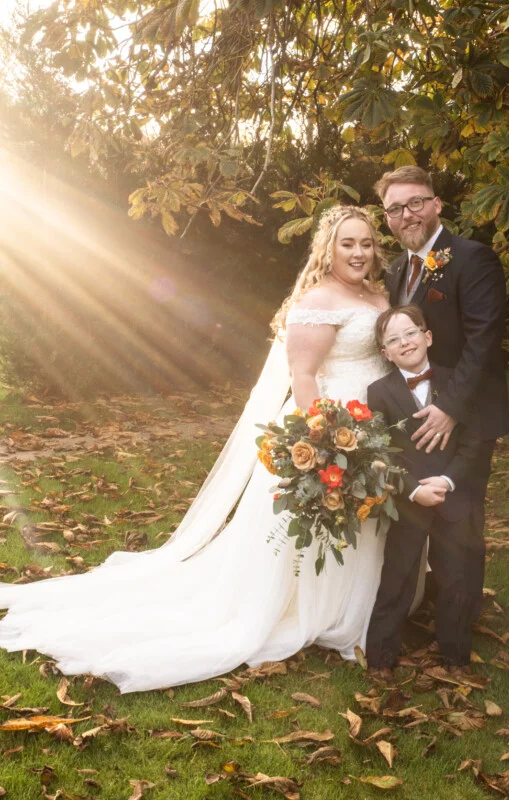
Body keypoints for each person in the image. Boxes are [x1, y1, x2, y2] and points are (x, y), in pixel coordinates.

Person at [0, 205, 426, 693]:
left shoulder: (378, 294)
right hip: (335, 424)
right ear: (327, 249)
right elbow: (305, 375)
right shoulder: (318, 298)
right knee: (332, 524)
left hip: (379, 424)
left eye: (366, 243)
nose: (358, 252)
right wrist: (324, 440)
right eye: (346, 243)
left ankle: (368, 606)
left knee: (374, 520)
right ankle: (317, 611)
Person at [376, 166, 509, 660]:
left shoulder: (473, 258)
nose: (406, 214)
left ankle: (457, 630)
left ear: (436, 204)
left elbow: (483, 341)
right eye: (395, 208)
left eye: (415, 203)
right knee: (417, 512)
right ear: (387, 218)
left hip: (468, 415)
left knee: (462, 519)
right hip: (417, 415)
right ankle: (420, 604)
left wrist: (450, 408)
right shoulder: (396, 270)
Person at [365, 305, 481, 679]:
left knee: (456, 578)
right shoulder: (379, 392)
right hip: (408, 500)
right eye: (393, 340)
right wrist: (412, 489)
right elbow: (377, 452)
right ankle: (381, 657)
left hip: (452, 495)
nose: (404, 342)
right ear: (385, 353)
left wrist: (448, 482)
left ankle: (456, 655)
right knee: (397, 575)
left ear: (427, 336)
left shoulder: (455, 383)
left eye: (410, 333)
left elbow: (474, 443)